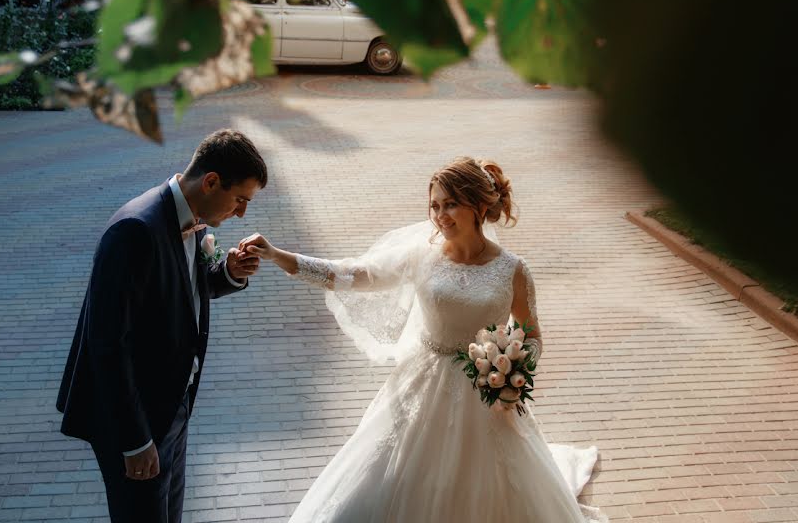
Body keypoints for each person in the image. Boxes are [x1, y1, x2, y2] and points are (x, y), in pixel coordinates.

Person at [240, 157, 606, 522]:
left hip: (487, 393)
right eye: (435, 205)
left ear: (479, 206)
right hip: (422, 383)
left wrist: (518, 370)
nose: (440, 215)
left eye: (450, 204)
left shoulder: (513, 269)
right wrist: (277, 255)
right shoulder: (421, 256)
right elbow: (352, 273)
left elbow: (530, 332)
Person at [56, 129, 267, 523]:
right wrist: (135, 441)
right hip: (137, 420)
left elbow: (184, 292)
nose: (241, 213)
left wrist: (229, 272)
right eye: (240, 200)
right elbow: (107, 344)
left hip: (173, 407)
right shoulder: (134, 231)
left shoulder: (196, 219)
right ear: (211, 181)